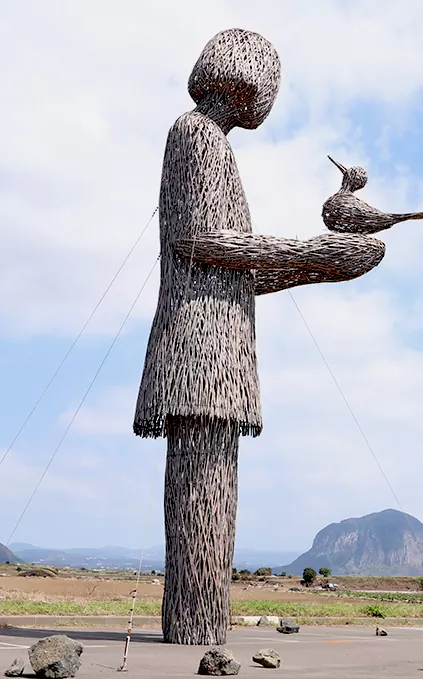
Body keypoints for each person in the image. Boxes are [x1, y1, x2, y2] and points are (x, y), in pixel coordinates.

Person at [133, 28, 385, 645]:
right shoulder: (196, 136)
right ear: (249, 82)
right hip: (199, 345)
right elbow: (201, 242)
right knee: (199, 497)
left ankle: (202, 625)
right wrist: (314, 252)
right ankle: (194, 629)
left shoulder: (213, 144)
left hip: (221, 345)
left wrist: (318, 268)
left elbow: (238, 271)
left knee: (212, 496)